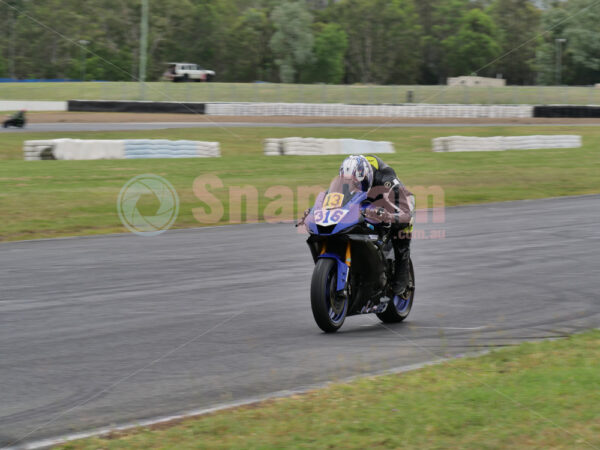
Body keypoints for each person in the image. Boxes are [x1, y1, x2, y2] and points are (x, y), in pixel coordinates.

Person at [340, 154, 415, 296]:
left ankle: (402, 271)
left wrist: (388, 215)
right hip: (366, 202)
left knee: (403, 227)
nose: (355, 186)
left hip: (393, 200)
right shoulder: (347, 177)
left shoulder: (386, 178)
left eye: (359, 184)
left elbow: (406, 213)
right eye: (351, 184)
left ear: (367, 177)